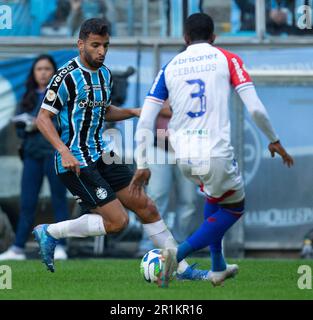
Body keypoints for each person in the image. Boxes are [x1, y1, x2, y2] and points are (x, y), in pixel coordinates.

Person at [32, 18, 207, 287]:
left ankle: (179, 266)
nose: (101, 51)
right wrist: (64, 151)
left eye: (105, 45)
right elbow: (43, 119)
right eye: (95, 45)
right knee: (118, 222)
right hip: (75, 161)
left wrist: (135, 112)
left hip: (103, 154)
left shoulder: (105, 74)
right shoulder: (65, 77)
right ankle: (51, 231)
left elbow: (103, 110)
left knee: (146, 206)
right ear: (80, 45)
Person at [130, 12, 294, 287]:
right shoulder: (227, 59)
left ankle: (218, 267)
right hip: (214, 152)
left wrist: (142, 162)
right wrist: (273, 138)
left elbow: (146, 119)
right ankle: (175, 256)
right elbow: (254, 107)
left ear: (184, 38)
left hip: (183, 156)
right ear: (214, 37)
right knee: (234, 209)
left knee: (215, 198)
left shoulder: (169, 66)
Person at [0, 54, 69, 261]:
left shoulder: (62, 96)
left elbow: (66, 126)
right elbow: (19, 130)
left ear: (54, 72)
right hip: (32, 156)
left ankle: (61, 246)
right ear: (33, 73)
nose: (43, 73)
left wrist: (43, 125)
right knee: (28, 202)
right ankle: (18, 247)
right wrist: (28, 126)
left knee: (59, 201)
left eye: (47, 69)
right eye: (39, 69)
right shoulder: (27, 97)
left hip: (55, 156)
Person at [136, 100, 199, 257]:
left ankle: (179, 246)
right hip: (159, 148)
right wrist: (182, 109)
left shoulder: (193, 81)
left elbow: (198, 110)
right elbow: (156, 107)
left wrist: (173, 109)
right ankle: (148, 245)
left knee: (189, 200)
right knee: (155, 198)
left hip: (188, 150)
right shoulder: (164, 80)